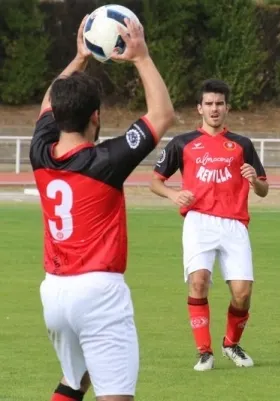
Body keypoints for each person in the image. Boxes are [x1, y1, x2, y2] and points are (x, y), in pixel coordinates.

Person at [30, 16, 174, 401]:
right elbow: (162, 115)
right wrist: (141, 57)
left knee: (76, 381)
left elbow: (48, 103)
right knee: (115, 395)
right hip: (98, 293)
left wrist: (80, 57)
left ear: (57, 115)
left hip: (54, 292)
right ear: (96, 116)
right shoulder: (106, 160)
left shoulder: (40, 151)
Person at [150, 79, 269, 371]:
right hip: (198, 221)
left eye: (219, 104)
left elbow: (264, 189)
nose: (214, 109)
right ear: (199, 108)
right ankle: (204, 351)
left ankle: (231, 344)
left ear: (227, 108)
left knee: (242, 293)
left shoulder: (242, 144)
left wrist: (254, 180)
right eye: (209, 104)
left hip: (234, 223)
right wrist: (174, 195)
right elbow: (155, 182)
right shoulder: (182, 143)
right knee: (198, 281)